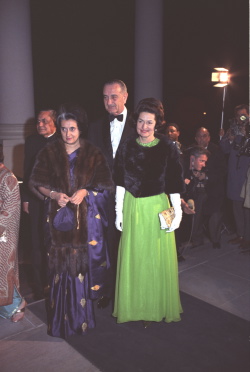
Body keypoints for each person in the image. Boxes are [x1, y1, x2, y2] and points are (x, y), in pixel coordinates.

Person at [29, 104, 114, 338]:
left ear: (81, 129)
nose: (68, 134)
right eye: (65, 129)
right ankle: (59, 323)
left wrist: (86, 192)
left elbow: (106, 187)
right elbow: (37, 183)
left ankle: (81, 321)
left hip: (85, 224)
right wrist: (54, 195)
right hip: (57, 222)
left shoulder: (93, 154)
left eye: (73, 128)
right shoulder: (49, 152)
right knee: (58, 270)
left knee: (80, 271)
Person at [112, 98, 185, 326]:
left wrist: (178, 212)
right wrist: (118, 211)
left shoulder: (167, 146)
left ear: (157, 124)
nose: (144, 126)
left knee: (155, 259)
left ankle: (155, 306)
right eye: (141, 121)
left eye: (149, 122)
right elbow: (120, 182)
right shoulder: (127, 146)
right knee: (135, 258)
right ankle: (135, 307)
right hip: (133, 207)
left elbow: (174, 182)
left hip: (158, 208)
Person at [88, 79, 135, 307]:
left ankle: (132, 289)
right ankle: (110, 290)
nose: (109, 102)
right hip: (105, 196)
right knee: (108, 244)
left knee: (132, 242)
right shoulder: (95, 126)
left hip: (133, 196)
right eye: (105, 97)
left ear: (125, 96)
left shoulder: (140, 125)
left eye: (114, 96)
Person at [22, 109, 58, 299]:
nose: (40, 124)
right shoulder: (32, 142)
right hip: (36, 201)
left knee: (55, 243)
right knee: (36, 244)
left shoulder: (63, 139)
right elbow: (27, 170)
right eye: (38, 121)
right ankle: (38, 288)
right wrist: (26, 199)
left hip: (58, 202)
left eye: (45, 121)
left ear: (55, 122)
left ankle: (57, 283)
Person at [0, 145, 26, 322]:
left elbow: (11, 207)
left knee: (4, 270)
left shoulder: (8, 177)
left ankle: (18, 304)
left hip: (4, 234)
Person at [192, 127, 227, 248]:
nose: (202, 139)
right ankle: (197, 239)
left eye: (204, 136)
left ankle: (215, 240)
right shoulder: (191, 151)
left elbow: (223, 171)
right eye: (199, 136)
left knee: (215, 216)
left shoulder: (217, 150)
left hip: (214, 188)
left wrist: (206, 176)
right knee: (196, 215)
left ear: (209, 137)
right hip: (197, 189)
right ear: (196, 138)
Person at [220, 121, 250, 250]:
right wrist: (226, 137)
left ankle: (247, 238)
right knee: (236, 209)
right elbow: (224, 149)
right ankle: (240, 235)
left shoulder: (246, 139)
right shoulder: (235, 137)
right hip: (234, 179)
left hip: (246, 180)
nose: (242, 126)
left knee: (246, 212)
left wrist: (242, 137)